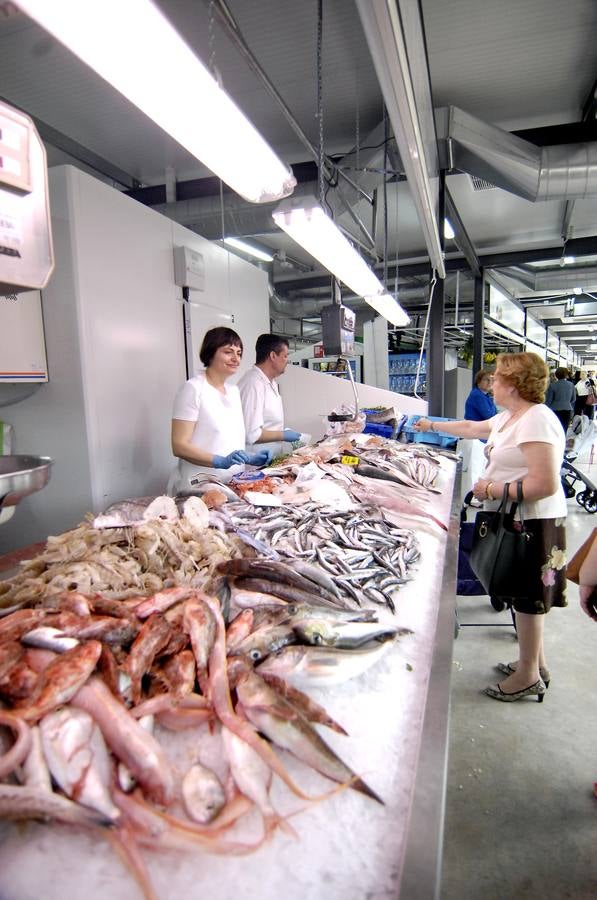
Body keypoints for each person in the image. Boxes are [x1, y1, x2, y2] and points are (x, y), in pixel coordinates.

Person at [415, 351, 567, 703]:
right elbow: (472, 428)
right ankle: (534, 663)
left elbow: (545, 484)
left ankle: (527, 677)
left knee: (529, 599)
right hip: (513, 519)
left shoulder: (536, 420)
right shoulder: (511, 417)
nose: (492, 383)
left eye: (498, 379)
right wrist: (430, 425)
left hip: (532, 523)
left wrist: (491, 489)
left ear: (513, 385)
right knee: (521, 593)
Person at [169, 326, 270, 493]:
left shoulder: (233, 391)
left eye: (239, 353)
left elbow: (228, 439)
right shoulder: (193, 389)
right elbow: (179, 446)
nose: (236, 358)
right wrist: (219, 461)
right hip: (199, 486)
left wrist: (250, 457)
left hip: (233, 483)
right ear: (210, 352)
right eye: (228, 352)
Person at [238, 333, 303, 459]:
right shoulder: (253, 383)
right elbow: (252, 434)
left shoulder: (271, 382)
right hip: (256, 462)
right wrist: (283, 435)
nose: (287, 361)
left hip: (271, 458)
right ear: (273, 356)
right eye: (285, 356)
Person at [545, 367, 575, 433]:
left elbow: (548, 401)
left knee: (554, 430)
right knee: (564, 429)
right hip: (567, 410)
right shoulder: (571, 385)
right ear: (566, 375)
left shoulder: (552, 386)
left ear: (556, 375)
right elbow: (573, 399)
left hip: (555, 410)